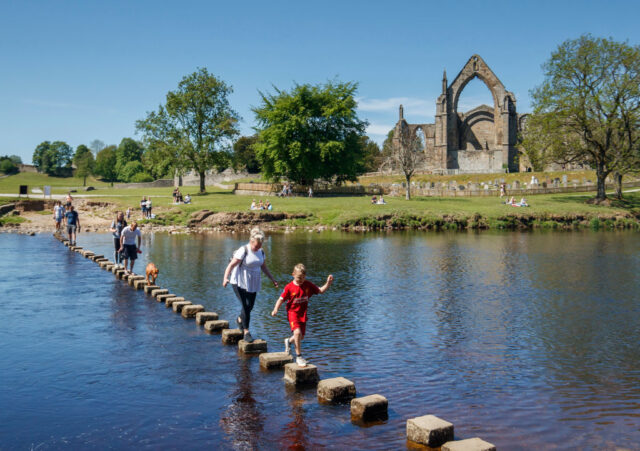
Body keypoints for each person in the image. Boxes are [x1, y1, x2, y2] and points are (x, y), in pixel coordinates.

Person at [271, 263, 333, 367]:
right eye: (299, 277)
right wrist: (275, 309)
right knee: (297, 333)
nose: (301, 280)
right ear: (293, 274)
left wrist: (328, 283)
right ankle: (299, 357)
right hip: (292, 313)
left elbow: (321, 291)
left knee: (301, 337)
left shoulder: (308, 285)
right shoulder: (289, 287)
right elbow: (280, 299)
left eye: (303, 278)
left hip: (302, 314)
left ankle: (288, 341)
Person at [222, 228, 278, 343]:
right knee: (246, 306)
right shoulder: (243, 250)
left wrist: (272, 279)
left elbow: (263, 266)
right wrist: (225, 278)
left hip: (253, 282)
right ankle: (246, 331)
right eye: (256, 246)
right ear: (251, 242)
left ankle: (239, 319)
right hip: (238, 281)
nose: (258, 248)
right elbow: (231, 265)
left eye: (260, 246)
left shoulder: (261, 252)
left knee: (250, 306)